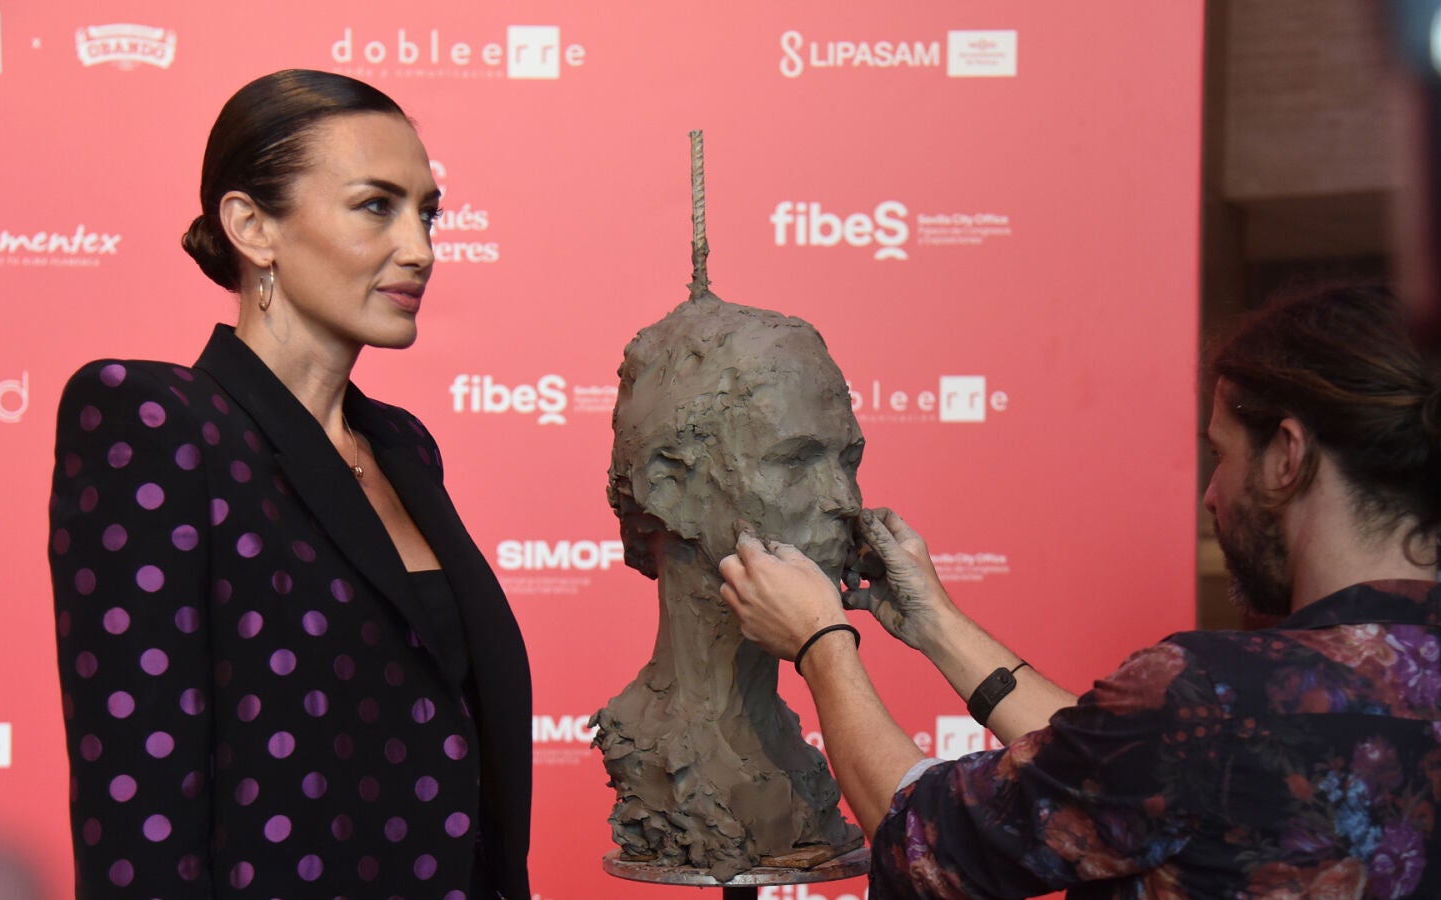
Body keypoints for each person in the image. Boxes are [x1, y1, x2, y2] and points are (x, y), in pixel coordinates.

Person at [719, 282, 1441, 898]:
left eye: (1221, 456)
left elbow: (925, 840)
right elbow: (1140, 773)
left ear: (1288, 456)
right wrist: (936, 622)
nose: (1212, 495)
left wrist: (822, 645)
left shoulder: (1210, 696)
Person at [46, 69, 531, 898]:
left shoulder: (404, 447)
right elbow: (137, 802)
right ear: (251, 226)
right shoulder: (155, 422)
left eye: (427, 213)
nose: (420, 249)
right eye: (376, 206)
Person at [595, 296, 862, 880]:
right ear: (669, 485)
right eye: (796, 461)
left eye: (848, 461)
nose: (845, 500)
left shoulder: (791, 747)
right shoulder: (660, 745)